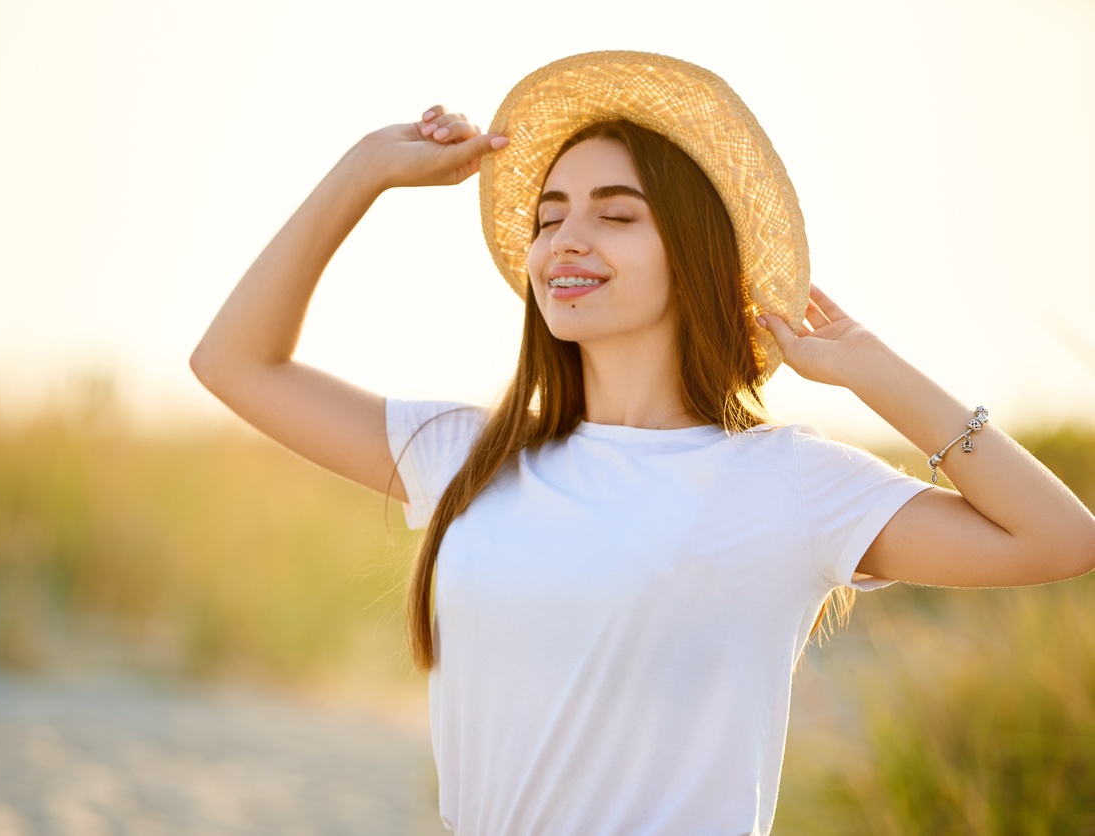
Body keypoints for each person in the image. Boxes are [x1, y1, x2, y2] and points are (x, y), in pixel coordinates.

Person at [191, 51, 1095, 835]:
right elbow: (234, 362)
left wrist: (875, 371)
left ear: (693, 255)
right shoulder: (470, 453)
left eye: (614, 215)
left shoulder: (788, 483)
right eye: (549, 217)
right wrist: (360, 172)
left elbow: (1060, 539)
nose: (564, 241)